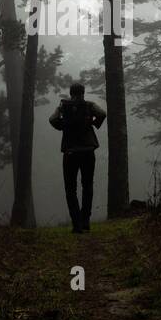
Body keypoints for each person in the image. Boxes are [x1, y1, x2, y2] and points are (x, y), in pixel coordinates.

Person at [48, 82, 107, 233]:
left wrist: (63, 125)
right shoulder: (89, 105)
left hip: (70, 152)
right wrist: (92, 123)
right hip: (88, 151)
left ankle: (76, 224)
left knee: (70, 189)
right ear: (83, 93)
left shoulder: (64, 106)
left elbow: (52, 119)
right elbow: (102, 114)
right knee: (87, 186)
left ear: (71, 93)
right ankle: (85, 221)